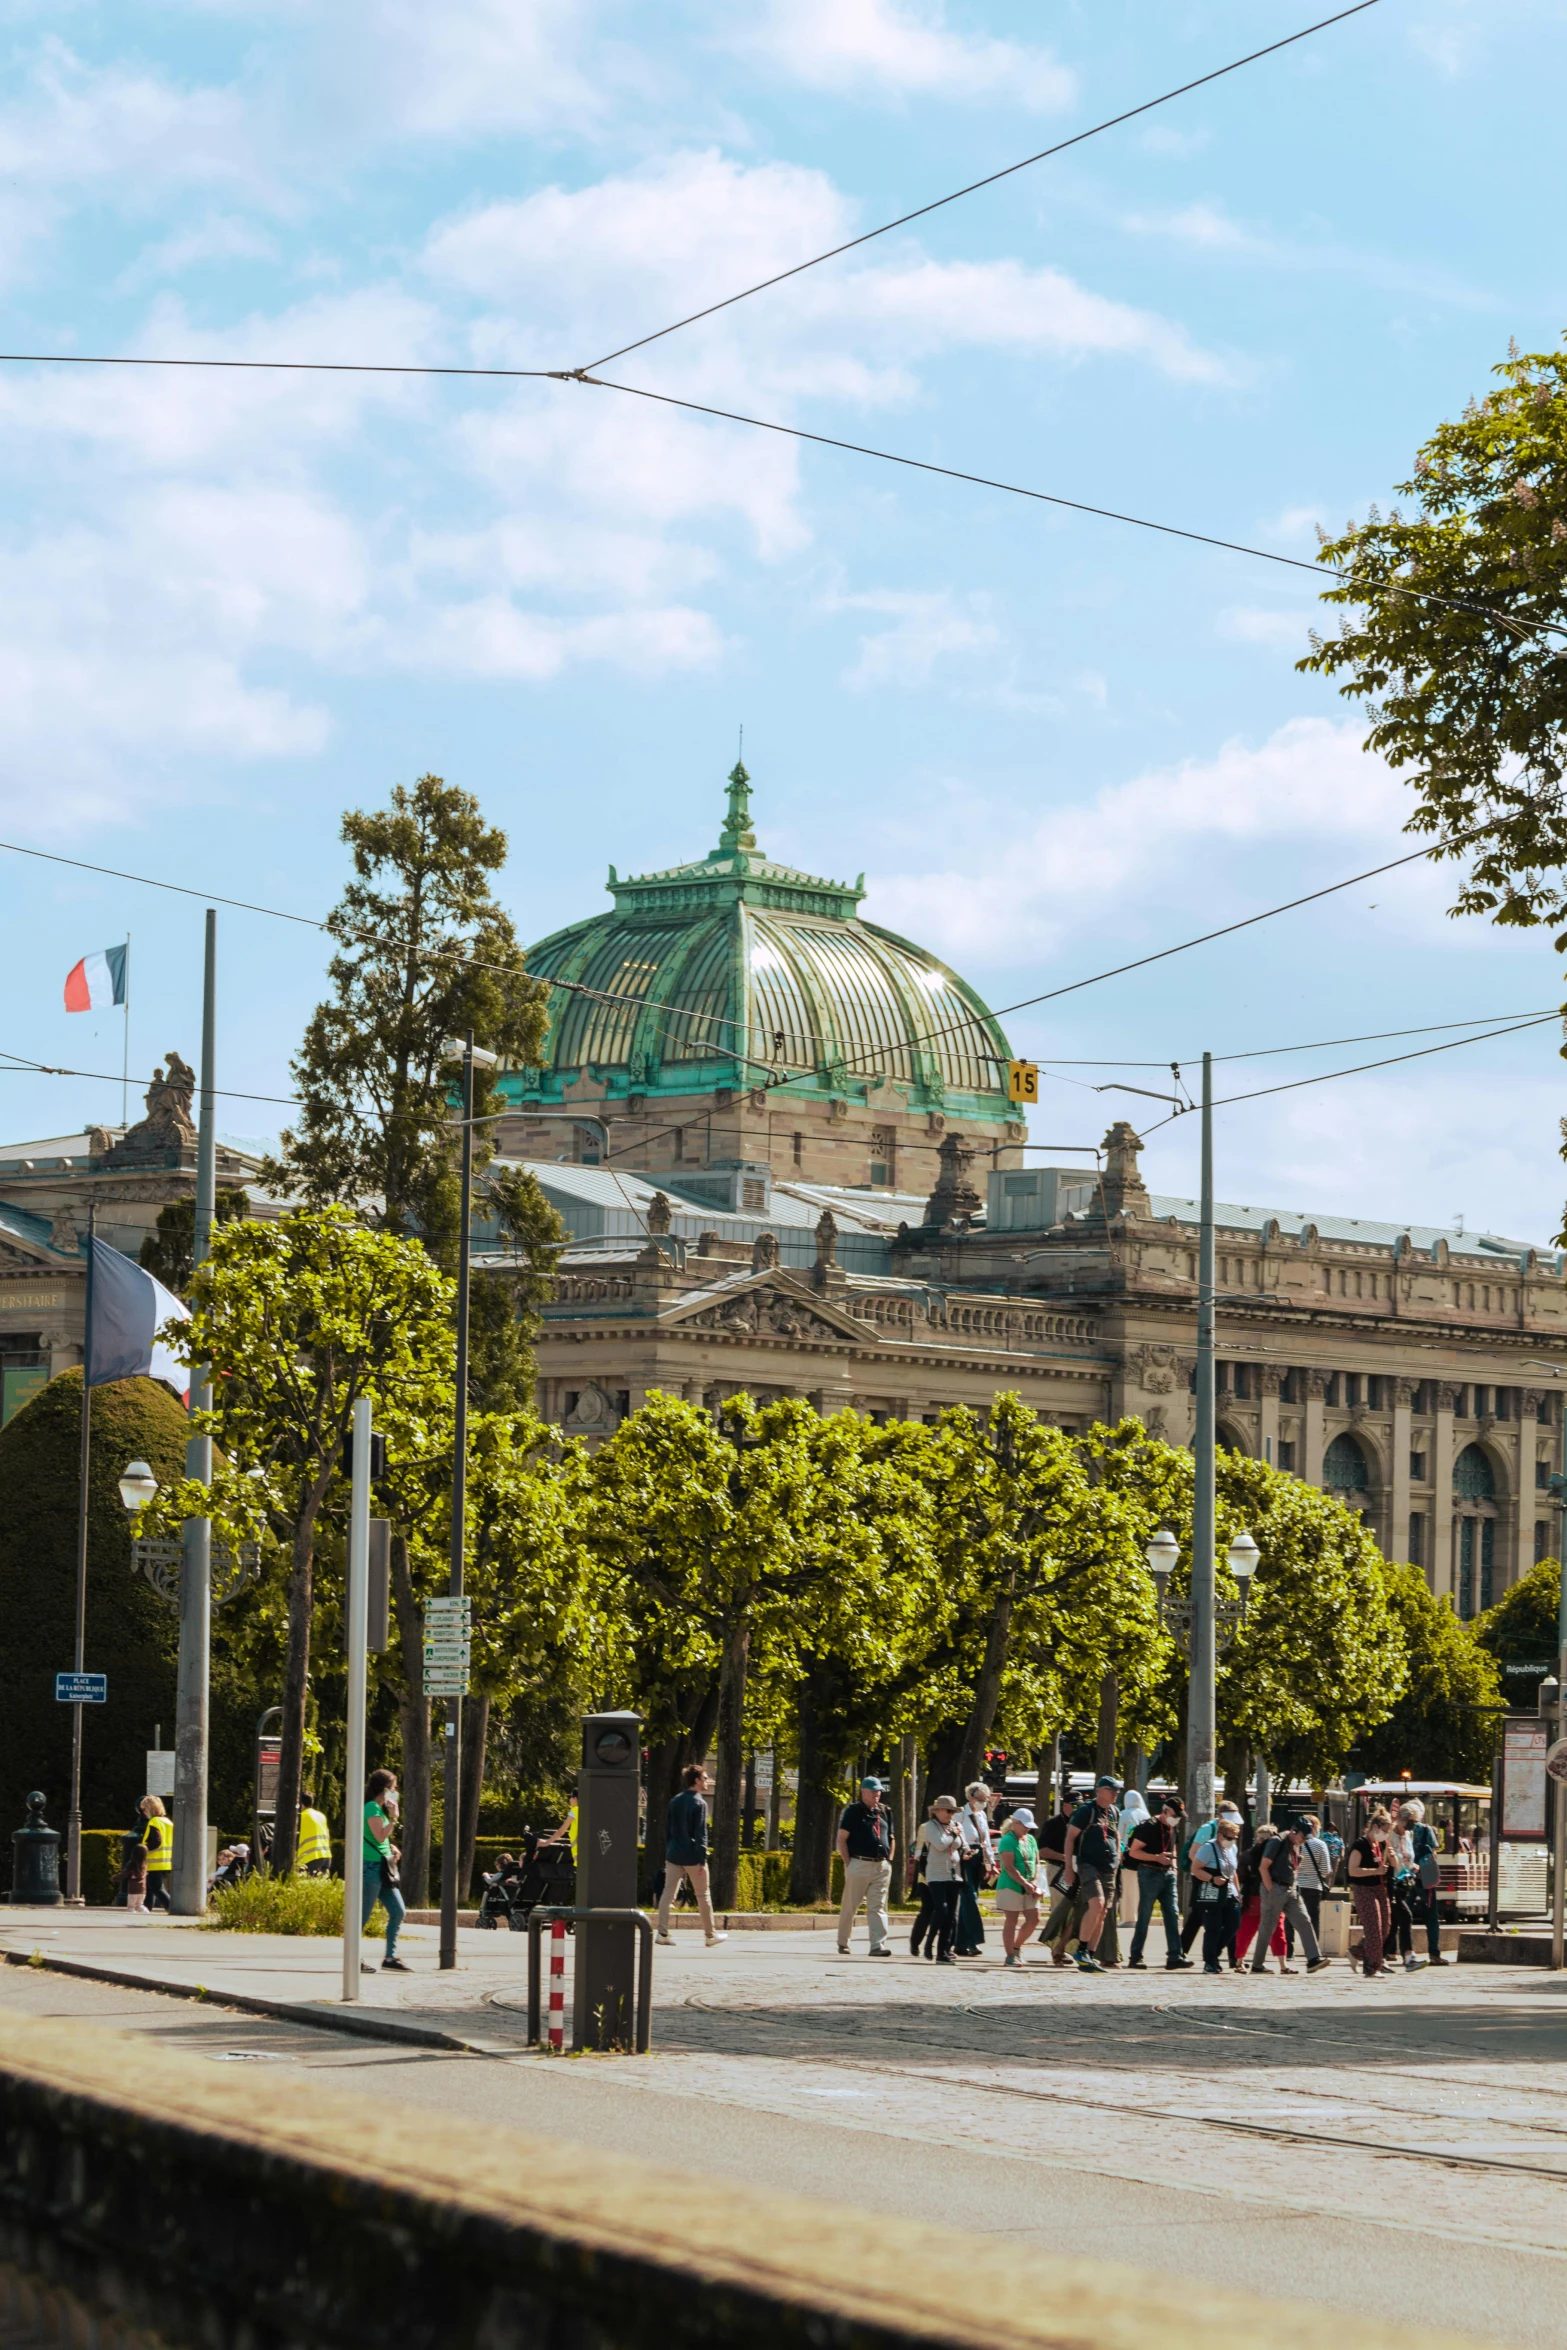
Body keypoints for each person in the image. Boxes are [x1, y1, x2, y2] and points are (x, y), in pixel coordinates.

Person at [656, 1763, 726, 1947]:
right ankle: (710, 1936)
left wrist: (670, 1848)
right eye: (704, 1778)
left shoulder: (674, 1801)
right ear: (696, 1780)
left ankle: (662, 1933)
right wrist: (702, 1859)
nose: (707, 1781)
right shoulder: (699, 1803)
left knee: (667, 1894)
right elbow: (700, 1833)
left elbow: (667, 1830)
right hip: (693, 1857)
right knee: (703, 1895)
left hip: (673, 1855)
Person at [1253, 1816, 1332, 1976]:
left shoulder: (1297, 1844)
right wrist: (1271, 1890)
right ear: (1294, 1831)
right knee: (1268, 1927)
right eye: (1303, 1837)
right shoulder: (1277, 1841)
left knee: (1304, 1921)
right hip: (1275, 1887)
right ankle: (1257, 1965)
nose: (1304, 1841)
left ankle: (1313, 1959)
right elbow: (1263, 1867)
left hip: (1291, 1888)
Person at [1061, 1774, 1122, 1974]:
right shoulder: (1086, 1811)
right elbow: (1070, 1839)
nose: (1115, 1794)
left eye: (1117, 1791)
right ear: (1099, 1791)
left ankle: (1090, 1955)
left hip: (1109, 1867)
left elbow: (1116, 1836)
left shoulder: (1114, 1812)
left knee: (1103, 1912)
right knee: (1097, 1904)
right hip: (1088, 1864)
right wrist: (1069, 1868)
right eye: (1111, 1790)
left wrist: (1118, 1860)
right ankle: (1081, 1950)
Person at [1125, 1795, 1194, 1971]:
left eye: (1179, 1815)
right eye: (1174, 1814)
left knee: (1172, 1914)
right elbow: (1134, 1852)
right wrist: (1157, 1858)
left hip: (1167, 1874)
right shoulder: (1148, 1826)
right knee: (1144, 1915)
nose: (1176, 1818)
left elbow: (1174, 1847)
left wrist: (1174, 1867)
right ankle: (1135, 1956)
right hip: (1149, 1873)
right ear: (1165, 1811)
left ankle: (1174, 1956)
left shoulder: (1171, 1828)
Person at [836, 1777, 895, 1956]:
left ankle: (877, 1945)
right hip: (859, 1863)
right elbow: (841, 1839)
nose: (877, 1794)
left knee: (878, 1906)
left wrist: (889, 1859)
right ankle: (843, 1942)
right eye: (873, 1791)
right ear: (863, 1792)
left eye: (879, 1791)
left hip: (881, 1866)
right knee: (850, 1905)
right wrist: (849, 1864)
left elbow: (892, 1838)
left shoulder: (885, 1811)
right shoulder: (853, 1812)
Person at [1179, 1801, 1243, 1957]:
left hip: (1224, 1880)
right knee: (1201, 1919)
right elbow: (1193, 1854)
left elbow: (1232, 1868)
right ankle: (1183, 1951)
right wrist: (1209, 1875)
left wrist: (1237, 1890)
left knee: (1229, 1920)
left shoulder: (1231, 1843)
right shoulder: (1208, 1829)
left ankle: (1231, 1957)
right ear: (1220, 1815)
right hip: (1205, 1879)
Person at [363, 1767, 409, 1972]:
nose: (396, 1793)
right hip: (370, 1866)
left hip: (382, 1866)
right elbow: (379, 1835)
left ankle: (390, 1957)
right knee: (362, 1916)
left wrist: (391, 1848)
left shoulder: (379, 1809)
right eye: (393, 1788)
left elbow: (381, 1840)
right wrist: (394, 1818)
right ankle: (354, 1958)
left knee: (398, 1911)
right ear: (385, 1789)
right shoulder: (371, 1807)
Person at [910, 1795, 963, 1962]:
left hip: (953, 1874)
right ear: (937, 1811)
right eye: (948, 1811)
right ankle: (918, 1943)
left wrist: (966, 1851)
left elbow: (962, 1844)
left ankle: (944, 1950)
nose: (951, 1815)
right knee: (930, 1910)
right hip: (928, 1874)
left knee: (950, 1915)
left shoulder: (955, 1826)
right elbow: (925, 1849)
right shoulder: (926, 1827)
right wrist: (954, 1836)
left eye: (953, 1812)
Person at [1233, 1821, 1290, 1971]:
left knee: (1246, 1930)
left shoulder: (1247, 1854)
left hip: (1252, 1896)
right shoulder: (1277, 1854)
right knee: (1277, 1930)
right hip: (1271, 1895)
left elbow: (1240, 1876)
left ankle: (1239, 1962)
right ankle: (1283, 1965)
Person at [1190, 1815, 1242, 1972]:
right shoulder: (1208, 1848)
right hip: (1212, 1893)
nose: (1231, 1841)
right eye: (1228, 1837)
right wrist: (1212, 1878)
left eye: (1234, 1838)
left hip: (1229, 1892)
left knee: (1233, 1925)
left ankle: (1214, 1953)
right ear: (1220, 1835)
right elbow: (1196, 1869)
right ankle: (1210, 1961)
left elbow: (1233, 1873)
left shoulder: (1232, 1848)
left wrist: (1238, 1893)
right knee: (1213, 1928)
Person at [1400, 1798, 1448, 1966]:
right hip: (1424, 1878)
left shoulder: (1401, 1829)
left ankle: (1399, 1952)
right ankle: (1434, 1953)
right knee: (1431, 1916)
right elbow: (1433, 1853)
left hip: (1405, 1877)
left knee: (1403, 1916)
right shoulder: (1426, 1830)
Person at [1349, 1806, 1395, 1978]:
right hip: (1364, 1889)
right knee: (1373, 1928)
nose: (1386, 1834)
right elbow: (1353, 1870)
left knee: (1384, 1928)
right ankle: (1372, 1967)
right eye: (1384, 1831)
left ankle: (1357, 1952)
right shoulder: (1360, 1845)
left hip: (1380, 1889)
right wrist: (1375, 1871)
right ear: (1375, 1827)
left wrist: (1391, 1855)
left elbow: (1395, 1865)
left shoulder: (1382, 1844)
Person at [952, 1782, 995, 1955]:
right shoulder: (960, 1814)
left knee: (971, 1897)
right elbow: (954, 1834)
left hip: (979, 1856)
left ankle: (961, 1944)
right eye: (980, 1799)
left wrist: (991, 1862)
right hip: (965, 1856)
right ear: (970, 1798)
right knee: (970, 1897)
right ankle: (973, 1939)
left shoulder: (982, 1816)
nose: (983, 1803)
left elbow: (986, 1842)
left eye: (985, 1800)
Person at [995, 1805, 1041, 1967]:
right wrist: (1025, 1883)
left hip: (1029, 1886)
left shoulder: (1031, 1840)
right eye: (1024, 1825)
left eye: (1029, 1826)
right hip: (1010, 1886)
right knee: (1011, 1920)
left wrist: (1034, 1882)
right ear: (1015, 1823)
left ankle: (1016, 1947)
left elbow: (1036, 1862)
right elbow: (1009, 1867)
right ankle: (1009, 1956)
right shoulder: (1007, 1840)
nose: (1027, 1829)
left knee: (1034, 1918)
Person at [1038, 1794, 1080, 1964]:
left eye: (1080, 1806)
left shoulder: (1081, 1822)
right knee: (1059, 1910)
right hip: (1057, 1870)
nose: (1077, 1809)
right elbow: (1042, 1850)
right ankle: (1056, 1950)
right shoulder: (1053, 1824)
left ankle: (1064, 1948)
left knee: (1074, 1911)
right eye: (1074, 1805)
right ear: (1065, 1806)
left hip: (1077, 1870)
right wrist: (1064, 1857)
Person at [1388, 1804, 1431, 1972]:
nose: (1412, 1826)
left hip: (1404, 1883)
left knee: (1391, 1925)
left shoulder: (1408, 1835)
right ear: (1401, 1819)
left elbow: (1407, 1858)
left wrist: (1413, 1867)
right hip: (1390, 1883)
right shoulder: (1389, 1836)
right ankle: (1409, 1956)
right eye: (1410, 1822)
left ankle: (1362, 1952)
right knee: (1405, 1917)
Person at [138, 1795, 173, 1912]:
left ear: (150, 1808)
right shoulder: (167, 1821)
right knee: (149, 1887)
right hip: (166, 1861)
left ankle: (172, 1907)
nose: (143, 1813)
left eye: (144, 1809)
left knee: (156, 1888)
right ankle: (147, 1909)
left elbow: (156, 1841)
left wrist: (143, 1849)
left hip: (154, 1861)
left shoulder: (154, 1822)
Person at [297, 1790, 332, 1879]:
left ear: (301, 1804)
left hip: (310, 1859)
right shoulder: (321, 1815)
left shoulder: (301, 1817)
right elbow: (328, 1834)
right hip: (326, 1857)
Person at [121, 1834, 149, 1917]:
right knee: (140, 1905)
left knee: (131, 1907)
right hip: (143, 1889)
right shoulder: (145, 1864)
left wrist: (115, 1878)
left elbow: (125, 1873)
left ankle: (132, 1916)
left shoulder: (131, 1864)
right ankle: (146, 1913)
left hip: (133, 1889)